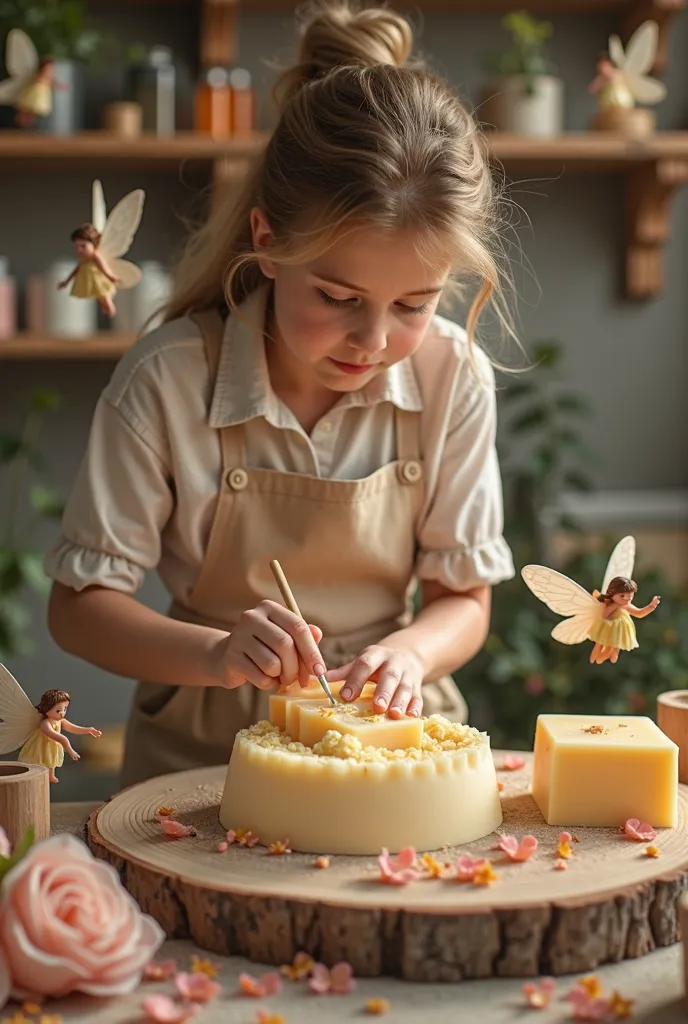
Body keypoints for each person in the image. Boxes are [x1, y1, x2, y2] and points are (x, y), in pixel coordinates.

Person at [45, 0, 515, 788]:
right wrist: (219, 654)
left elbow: (463, 599)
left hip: (394, 751)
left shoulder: (452, 377)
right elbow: (79, 607)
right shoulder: (167, 379)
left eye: (413, 305)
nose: (372, 341)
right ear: (267, 242)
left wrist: (409, 652)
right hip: (204, 762)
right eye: (336, 296)